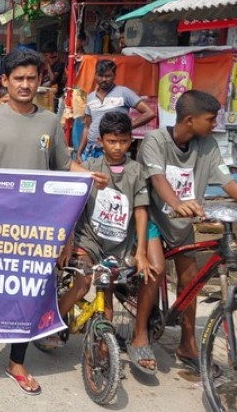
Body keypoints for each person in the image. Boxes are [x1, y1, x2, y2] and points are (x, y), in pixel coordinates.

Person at [0, 48, 107, 396]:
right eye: (18, 78)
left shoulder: (50, 121)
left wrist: (88, 177)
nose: (25, 84)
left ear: (39, 81)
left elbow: (63, 167)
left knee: (30, 290)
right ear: (5, 81)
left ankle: (17, 362)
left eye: (31, 78)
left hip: (36, 227)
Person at [139, 90, 237, 374]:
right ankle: (139, 333)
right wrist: (177, 203)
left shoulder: (208, 145)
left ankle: (187, 344)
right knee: (154, 270)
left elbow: (227, 181)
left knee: (191, 281)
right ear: (190, 120)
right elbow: (157, 179)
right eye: (210, 119)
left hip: (184, 225)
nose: (214, 124)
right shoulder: (155, 140)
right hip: (154, 218)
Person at [48, 112, 162, 374]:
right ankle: (52, 323)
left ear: (131, 141)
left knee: (106, 292)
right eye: (112, 141)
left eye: (123, 141)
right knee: (83, 284)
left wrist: (141, 252)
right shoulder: (91, 167)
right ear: (101, 141)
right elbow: (74, 205)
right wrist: (67, 241)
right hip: (87, 240)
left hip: (118, 245)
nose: (118, 147)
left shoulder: (137, 172)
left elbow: (141, 212)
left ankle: (102, 349)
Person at [77, 59, 155, 162]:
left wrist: (126, 127)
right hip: (91, 150)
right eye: (100, 75)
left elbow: (149, 113)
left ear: (114, 76)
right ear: (95, 75)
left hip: (113, 151)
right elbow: (87, 127)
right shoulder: (90, 97)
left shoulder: (123, 92)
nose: (104, 79)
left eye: (108, 76)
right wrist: (79, 152)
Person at [41, 41, 66, 113]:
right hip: (45, 96)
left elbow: (52, 79)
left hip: (54, 97)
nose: (45, 58)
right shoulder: (46, 67)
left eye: (46, 55)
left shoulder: (59, 65)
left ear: (53, 54)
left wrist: (48, 65)